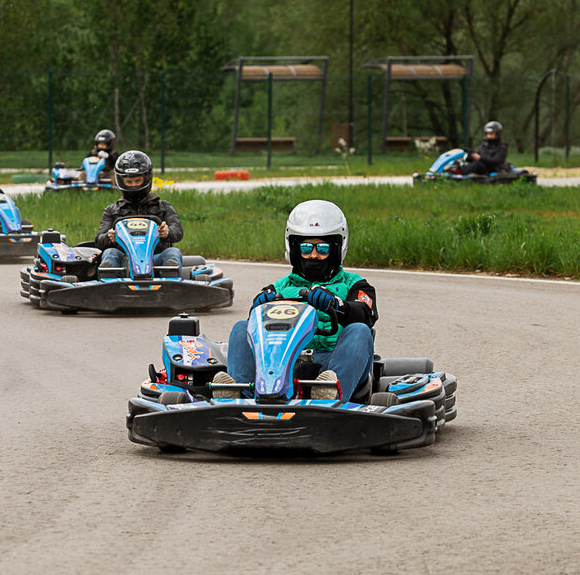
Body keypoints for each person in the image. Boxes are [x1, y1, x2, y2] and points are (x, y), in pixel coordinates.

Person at [212, 200, 377, 402]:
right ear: (294, 248)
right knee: (241, 328)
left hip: (332, 362)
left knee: (360, 330)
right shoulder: (278, 288)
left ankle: (330, 395)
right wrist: (259, 306)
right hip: (281, 364)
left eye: (322, 249)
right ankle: (241, 396)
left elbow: (365, 313)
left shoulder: (356, 285)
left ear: (336, 249)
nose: (314, 255)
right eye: (306, 248)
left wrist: (335, 304)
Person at [94, 150, 182, 271]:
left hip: (155, 259)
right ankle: (108, 279)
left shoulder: (162, 207)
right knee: (110, 253)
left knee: (173, 252)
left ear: (146, 179)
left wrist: (167, 232)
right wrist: (110, 237)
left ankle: (170, 277)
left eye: (137, 181)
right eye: (129, 182)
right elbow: (99, 239)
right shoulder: (112, 210)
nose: (133, 185)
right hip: (124, 262)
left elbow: (178, 231)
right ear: (121, 181)